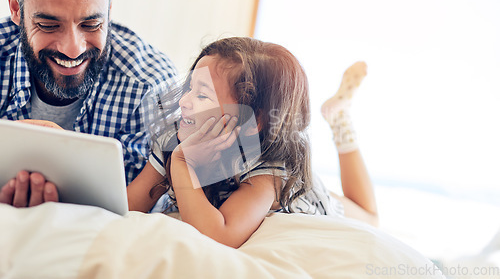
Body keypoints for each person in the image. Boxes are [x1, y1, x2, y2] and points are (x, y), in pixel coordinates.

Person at [126, 37, 378, 248]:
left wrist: (182, 164)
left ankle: (339, 118)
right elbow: (129, 206)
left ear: (253, 120)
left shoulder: (268, 172)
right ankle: (338, 115)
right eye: (189, 88)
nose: (184, 101)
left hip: (306, 196)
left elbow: (218, 236)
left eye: (202, 94)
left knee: (369, 218)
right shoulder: (174, 140)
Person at [0, 0, 177, 206]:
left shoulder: (151, 88)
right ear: (17, 9)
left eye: (91, 23)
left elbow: (137, 213)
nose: (73, 50)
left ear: (109, 10)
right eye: (48, 25)